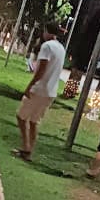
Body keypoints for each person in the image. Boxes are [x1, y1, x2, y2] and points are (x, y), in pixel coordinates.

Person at [13, 23, 66, 161]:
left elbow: (41, 70)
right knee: (34, 121)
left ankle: (26, 146)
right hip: (51, 92)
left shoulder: (47, 46)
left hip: (39, 89)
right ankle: (28, 150)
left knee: (21, 116)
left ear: (47, 32)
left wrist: (30, 86)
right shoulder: (61, 48)